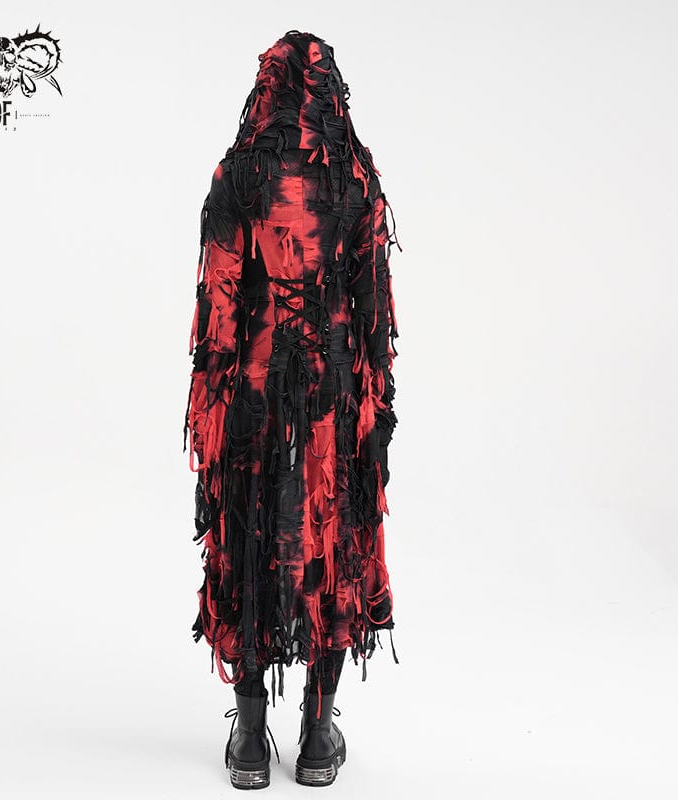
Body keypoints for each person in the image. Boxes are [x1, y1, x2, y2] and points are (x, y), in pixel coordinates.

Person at [183, 29, 401, 789]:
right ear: (331, 95)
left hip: (251, 393)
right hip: (333, 397)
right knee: (332, 545)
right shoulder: (356, 179)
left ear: (266, 91)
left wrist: (210, 411)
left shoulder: (237, 175)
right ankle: (315, 737)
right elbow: (375, 314)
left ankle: (249, 739)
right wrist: (376, 407)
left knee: (249, 543)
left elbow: (216, 308)